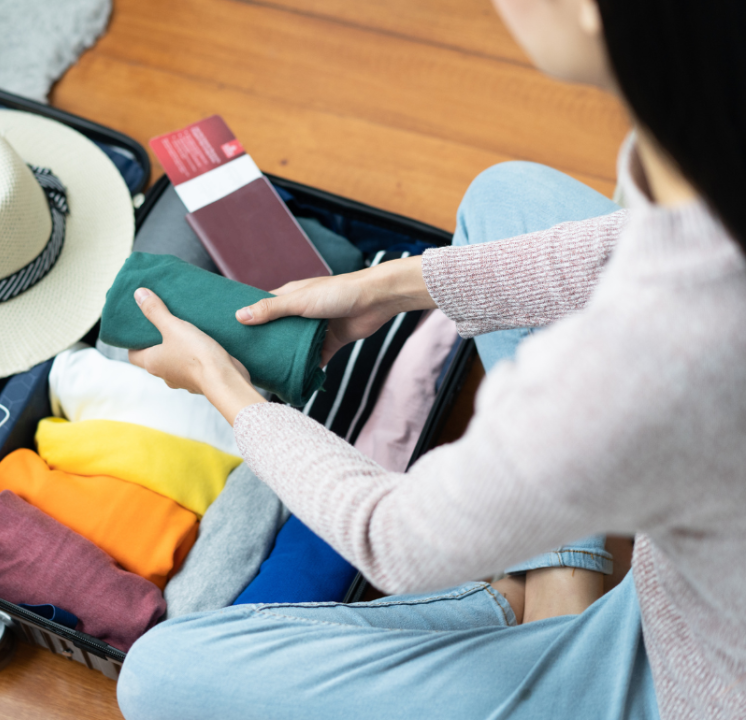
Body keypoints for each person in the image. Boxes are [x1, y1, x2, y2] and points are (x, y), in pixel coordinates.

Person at [116, 0, 746, 718]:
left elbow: (394, 537)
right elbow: (635, 244)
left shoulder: (650, 358)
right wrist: (387, 287)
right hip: (710, 581)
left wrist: (223, 386)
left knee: (160, 676)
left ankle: (546, 626)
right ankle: (556, 598)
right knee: (505, 198)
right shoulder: (707, 151)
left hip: (685, 682)